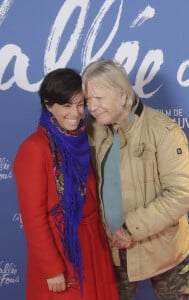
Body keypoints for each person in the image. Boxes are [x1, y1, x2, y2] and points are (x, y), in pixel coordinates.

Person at [81, 58, 189, 300]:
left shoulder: (164, 131)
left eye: (99, 99)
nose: (92, 107)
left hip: (164, 252)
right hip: (112, 249)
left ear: (122, 95)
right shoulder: (92, 129)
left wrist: (130, 228)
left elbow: (182, 193)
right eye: (88, 100)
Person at [13, 68, 119, 300]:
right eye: (66, 106)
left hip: (94, 244)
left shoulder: (83, 138)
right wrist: (52, 268)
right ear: (48, 104)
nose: (76, 113)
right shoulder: (34, 148)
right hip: (63, 251)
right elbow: (33, 219)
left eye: (80, 104)